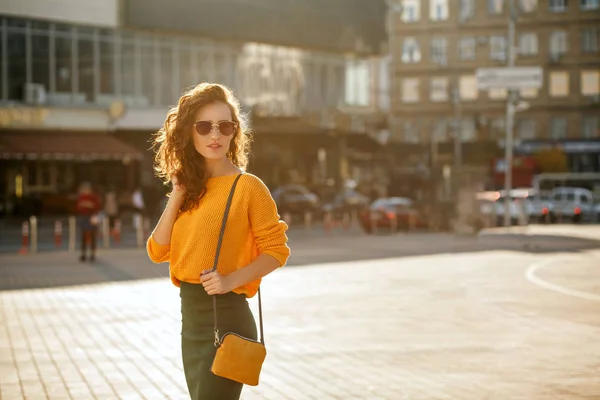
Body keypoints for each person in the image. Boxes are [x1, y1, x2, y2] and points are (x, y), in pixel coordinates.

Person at [146, 83, 290, 400]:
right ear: (189, 132)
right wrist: (178, 194)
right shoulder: (190, 188)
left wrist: (229, 280)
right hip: (191, 322)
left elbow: (277, 251)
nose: (215, 136)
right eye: (204, 126)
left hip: (228, 320)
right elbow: (157, 251)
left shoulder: (249, 187)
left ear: (234, 132)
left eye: (224, 126)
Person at [75, 182, 101, 262]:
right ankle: (83, 254)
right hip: (84, 217)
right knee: (83, 237)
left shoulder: (94, 197)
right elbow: (77, 207)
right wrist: (83, 206)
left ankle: (92, 255)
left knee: (93, 236)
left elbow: (98, 207)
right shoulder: (81, 197)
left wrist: (91, 205)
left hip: (92, 217)